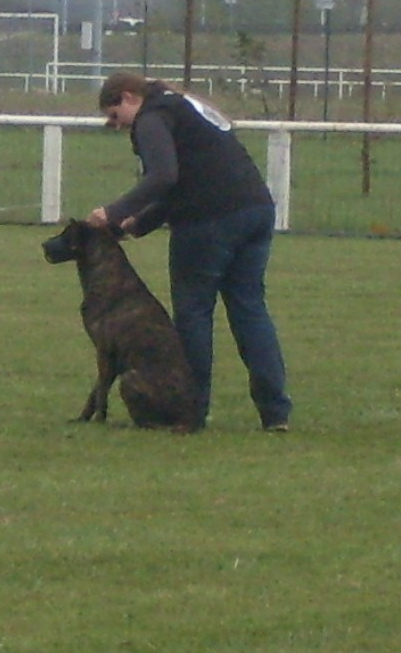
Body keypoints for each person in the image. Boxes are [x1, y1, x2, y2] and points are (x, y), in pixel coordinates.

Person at [86, 70, 292, 432]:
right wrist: (138, 223)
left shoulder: (151, 118)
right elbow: (188, 177)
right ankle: (275, 413)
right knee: (250, 310)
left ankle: (191, 411)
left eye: (115, 116)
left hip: (208, 221)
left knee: (194, 314)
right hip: (256, 210)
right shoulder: (182, 106)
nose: (118, 126)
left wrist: (113, 212)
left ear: (129, 97)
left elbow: (164, 176)